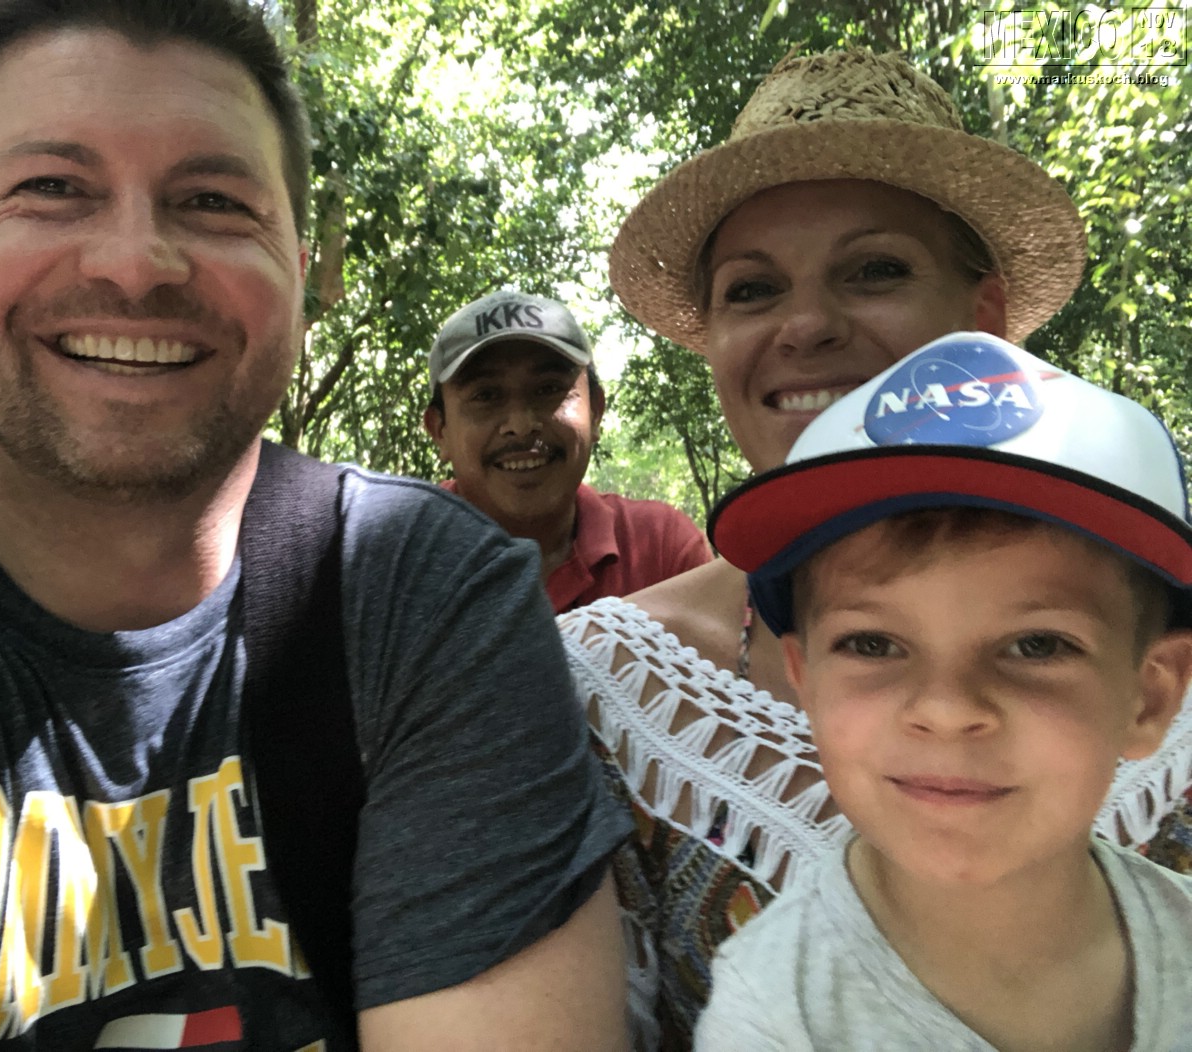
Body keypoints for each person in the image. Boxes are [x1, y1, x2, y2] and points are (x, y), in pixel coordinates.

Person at [0, 2, 632, 1048]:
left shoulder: (421, 600)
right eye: (51, 187)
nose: (135, 263)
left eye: (213, 201)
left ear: (301, 273)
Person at [557, 48, 1192, 1049]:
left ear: (983, 317)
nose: (806, 324)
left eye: (875, 270)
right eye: (751, 289)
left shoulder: (1149, 610)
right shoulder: (598, 683)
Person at [694, 332, 1192, 1050]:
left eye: (1037, 645)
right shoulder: (774, 1015)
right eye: (873, 644)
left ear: (1150, 697)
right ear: (806, 681)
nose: (947, 708)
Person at [424, 289, 712, 612]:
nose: (521, 425)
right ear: (440, 430)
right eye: (486, 396)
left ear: (595, 412)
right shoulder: (399, 562)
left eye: (548, 389)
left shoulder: (662, 550)